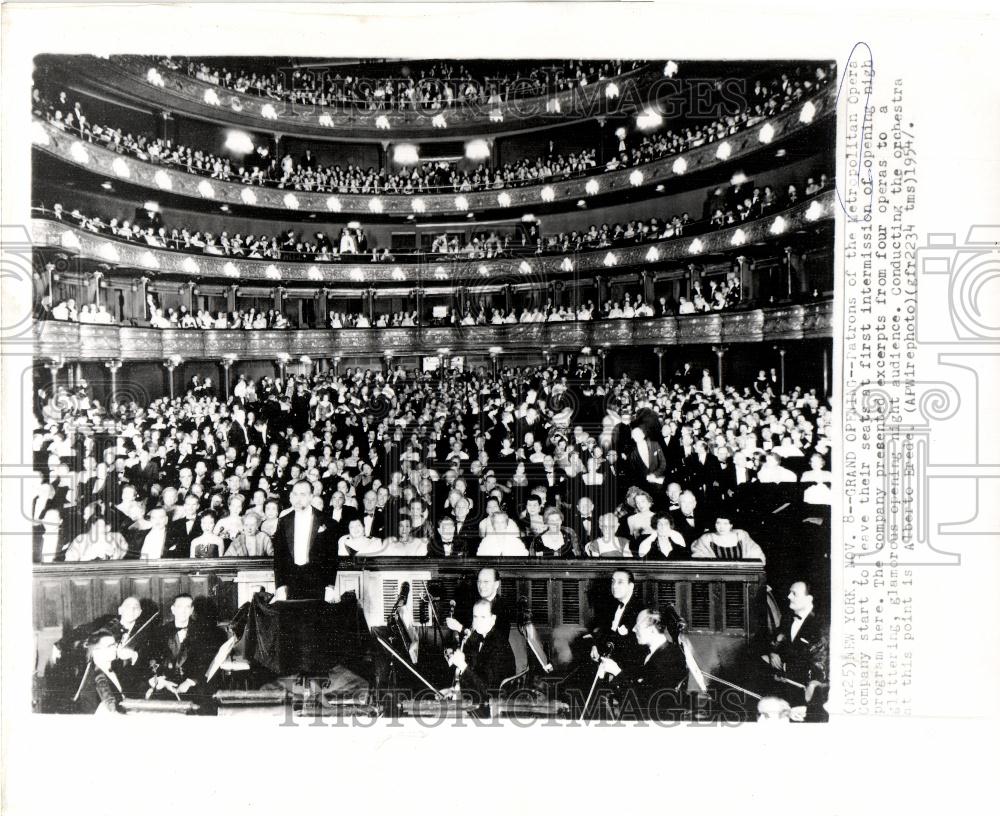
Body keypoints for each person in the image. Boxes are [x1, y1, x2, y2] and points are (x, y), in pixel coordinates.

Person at [597, 608, 689, 720]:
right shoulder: (652, 651)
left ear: (651, 630)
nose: (634, 629)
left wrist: (617, 672)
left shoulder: (670, 657)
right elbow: (638, 679)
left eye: (638, 626)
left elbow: (645, 700)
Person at [767, 580, 828, 722]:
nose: (789, 596)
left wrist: (813, 686)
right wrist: (773, 652)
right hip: (784, 689)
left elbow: (822, 662)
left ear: (809, 599)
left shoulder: (820, 625)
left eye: (794, 593)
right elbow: (778, 638)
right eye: (789, 592)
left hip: (806, 695)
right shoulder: (787, 618)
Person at [148, 593, 226, 701]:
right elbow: (153, 659)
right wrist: (163, 681)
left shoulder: (204, 632)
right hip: (166, 682)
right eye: (179, 607)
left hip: (194, 683)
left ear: (191, 610)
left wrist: (190, 682)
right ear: (173, 609)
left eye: (187, 607)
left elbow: (207, 661)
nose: (183, 611)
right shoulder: (160, 632)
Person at [271, 480, 339, 601]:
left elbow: (332, 557)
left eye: (303, 494)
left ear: (311, 497)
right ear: (291, 497)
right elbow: (279, 557)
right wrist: (280, 586)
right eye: (295, 494)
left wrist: (330, 586)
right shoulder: (283, 521)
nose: (298, 499)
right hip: (291, 582)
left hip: (318, 582)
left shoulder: (326, 521)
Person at [446, 599, 516, 701]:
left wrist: (462, 665)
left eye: (483, 617)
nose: (478, 622)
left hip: (492, 704)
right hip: (476, 694)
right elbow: (476, 671)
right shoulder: (480, 636)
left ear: (493, 619)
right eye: (475, 617)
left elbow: (487, 692)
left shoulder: (499, 645)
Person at [588, 569, 644, 671]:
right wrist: (595, 646)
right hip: (606, 659)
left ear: (631, 586)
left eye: (620, 582)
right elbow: (603, 632)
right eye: (613, 582)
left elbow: (637, 649)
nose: (614, 586)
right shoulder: (610, 605)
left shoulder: (640, 610)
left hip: (625, 667)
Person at [75, 630, 125, 714]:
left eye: (115, 644)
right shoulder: (93, 681)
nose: (115, 648)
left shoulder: (115, 668)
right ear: (96, 651)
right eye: (110, 646)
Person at [691, 512, 766, 562]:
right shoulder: (706, 539)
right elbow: (698, 557)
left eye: (725, 523)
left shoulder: (742, 536)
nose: (721, 527)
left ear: (731, 525)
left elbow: (757, 555)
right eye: (718, 523)